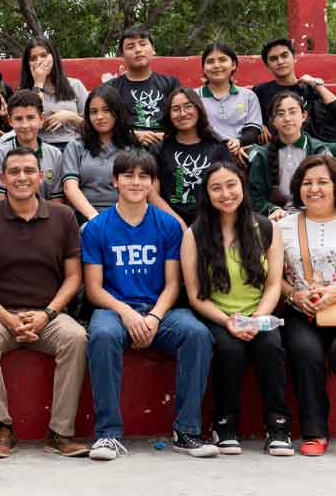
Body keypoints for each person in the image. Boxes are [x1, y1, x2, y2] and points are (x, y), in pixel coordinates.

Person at [82, 149, 217, 460]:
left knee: (196, 334)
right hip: (114, 310)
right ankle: (108, 435)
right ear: (115, 181)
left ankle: (187, 431)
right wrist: (127, 313)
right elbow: (93, 289)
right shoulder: (97, 228)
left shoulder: (169, 226)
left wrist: (155, 316)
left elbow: (173, 283)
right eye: (128, 175)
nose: (135, 182)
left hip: (160, 310)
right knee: (101, 335)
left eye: (144, 176)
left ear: (153, 183)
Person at [0, 147, 89, 459]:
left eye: (29, 171)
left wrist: (47, 314)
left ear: (41, 176)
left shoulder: (63, 217)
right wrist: (6, 318)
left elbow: (73, 277)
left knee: (76, 337)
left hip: (47, 313)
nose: (22, 177)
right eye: (15, 172)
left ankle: (60, 432)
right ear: (2, 177)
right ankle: (2, 429)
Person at [181, 162, 293, 456]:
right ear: (207, 194)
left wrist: (257, 319)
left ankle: (278, 426)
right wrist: (228, 321)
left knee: (270, 346)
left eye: (231, 185)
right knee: (229, 349)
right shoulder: (195, 234)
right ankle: (224, 424)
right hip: (217, 314)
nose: (226, 194)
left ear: (242, 186)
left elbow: (273, 284)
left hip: (259, 313)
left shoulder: (267, 228)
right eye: (216, 188)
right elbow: (195, 295)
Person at [278, 155, 336, 456]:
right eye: (307, 182)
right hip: (301, 310)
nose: (314, 189)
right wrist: (294, 295)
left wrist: (333, 293)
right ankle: (314, 433)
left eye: (323, 182)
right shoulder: (283, 226)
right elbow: (273, 277)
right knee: (305, 352)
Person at [148, 87, 229, 229]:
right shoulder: (159, 149)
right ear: (169, 114)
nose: (182, 113)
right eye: (175, 109)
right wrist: (177, 223)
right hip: (169, 224)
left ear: (198, 109)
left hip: (211, 224)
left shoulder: (217, 147)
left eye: (188, 107)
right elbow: (151, 193)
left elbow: (227, 188)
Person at [248, 92, 336, 220]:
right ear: (272, 121)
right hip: (278, 221)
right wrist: (273, 209)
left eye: (293, 112)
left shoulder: (321, 150)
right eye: (280, 114)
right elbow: (255, 198)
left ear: (304, 116)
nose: (287, 118)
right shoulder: (262, 155)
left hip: (317, 216)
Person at [62, 85, 138, 223]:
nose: (99, 117)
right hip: (85, 217)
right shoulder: (76, 145)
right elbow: (70, 187)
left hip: (124, 217)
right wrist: (95, 218)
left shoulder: (132, 147)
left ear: (117, 112)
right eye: (93, 112)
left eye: (106, 110)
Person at [105, 27, 182, 146]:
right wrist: (133, 135)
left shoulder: (171, 84)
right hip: (125, 149)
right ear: (122, 55)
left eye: (142, 44)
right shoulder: (111, 88)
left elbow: (185, 116)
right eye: (130, 47)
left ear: (153, 50)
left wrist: (165, 136)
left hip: (167, 146)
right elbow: (103, 124)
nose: (138, 50)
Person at [0, 90, 64, 204]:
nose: (25, 125)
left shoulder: (55, 154)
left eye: (30, 117)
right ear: (10, 121)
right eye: (18, 119)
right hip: (8, 219)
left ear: (41, 119)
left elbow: (56, 202)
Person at [254, 37, 336, 140]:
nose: (280, 61)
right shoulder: (261, 91)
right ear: (267, 65)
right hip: (283, 148)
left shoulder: (311, 87)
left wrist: (317, 85)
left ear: (294, 58)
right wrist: (258, 125)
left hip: (323, 146)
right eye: (273, 59)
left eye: (284, 56)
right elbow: (248, 118)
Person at [18, 36, 89, 151]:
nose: (39, 61)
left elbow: (93, 126)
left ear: (54, 57)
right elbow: (29, 124)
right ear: (28, 64)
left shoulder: (75, 85)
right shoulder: (24, 93)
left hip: (75, 147)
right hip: (42, 148)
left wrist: (71, 117)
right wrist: (38, 83)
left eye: (44, 55)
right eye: (33, 58)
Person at [196, 42, 264, 157]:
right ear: (203, 68)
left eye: (222, 60)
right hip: (206, 151)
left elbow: (253, 130)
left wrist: (239, 143)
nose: (216, 65)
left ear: (233, 65)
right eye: (210, 61)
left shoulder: (248, 96)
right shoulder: (194, 97)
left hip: (243, 149)